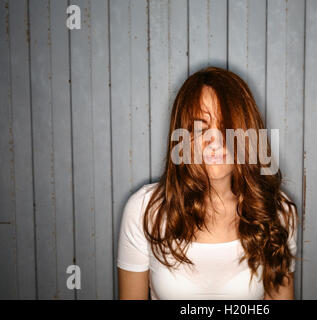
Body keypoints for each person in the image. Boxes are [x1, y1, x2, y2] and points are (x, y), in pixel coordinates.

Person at [117, 66, 299, 300]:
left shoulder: (277, 211)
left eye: (227, 128)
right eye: (199, 128)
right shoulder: (144, 210)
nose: (214, 142)